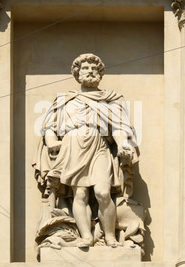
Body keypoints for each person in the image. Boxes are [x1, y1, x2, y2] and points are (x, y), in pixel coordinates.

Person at [34, 53, 139, 248]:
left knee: (102, 192)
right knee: (79, 194)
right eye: (85, 68)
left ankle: (109, 236)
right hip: (73, 147)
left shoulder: (110, 99)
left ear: (100, 74)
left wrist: (124, 144)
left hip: (99, 146)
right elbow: (49, 127)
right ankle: (86, 237)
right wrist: (51, 142)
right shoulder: (65, 100)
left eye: (94, 69)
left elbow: (118, 127)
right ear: (77, 74)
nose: (90, 72)